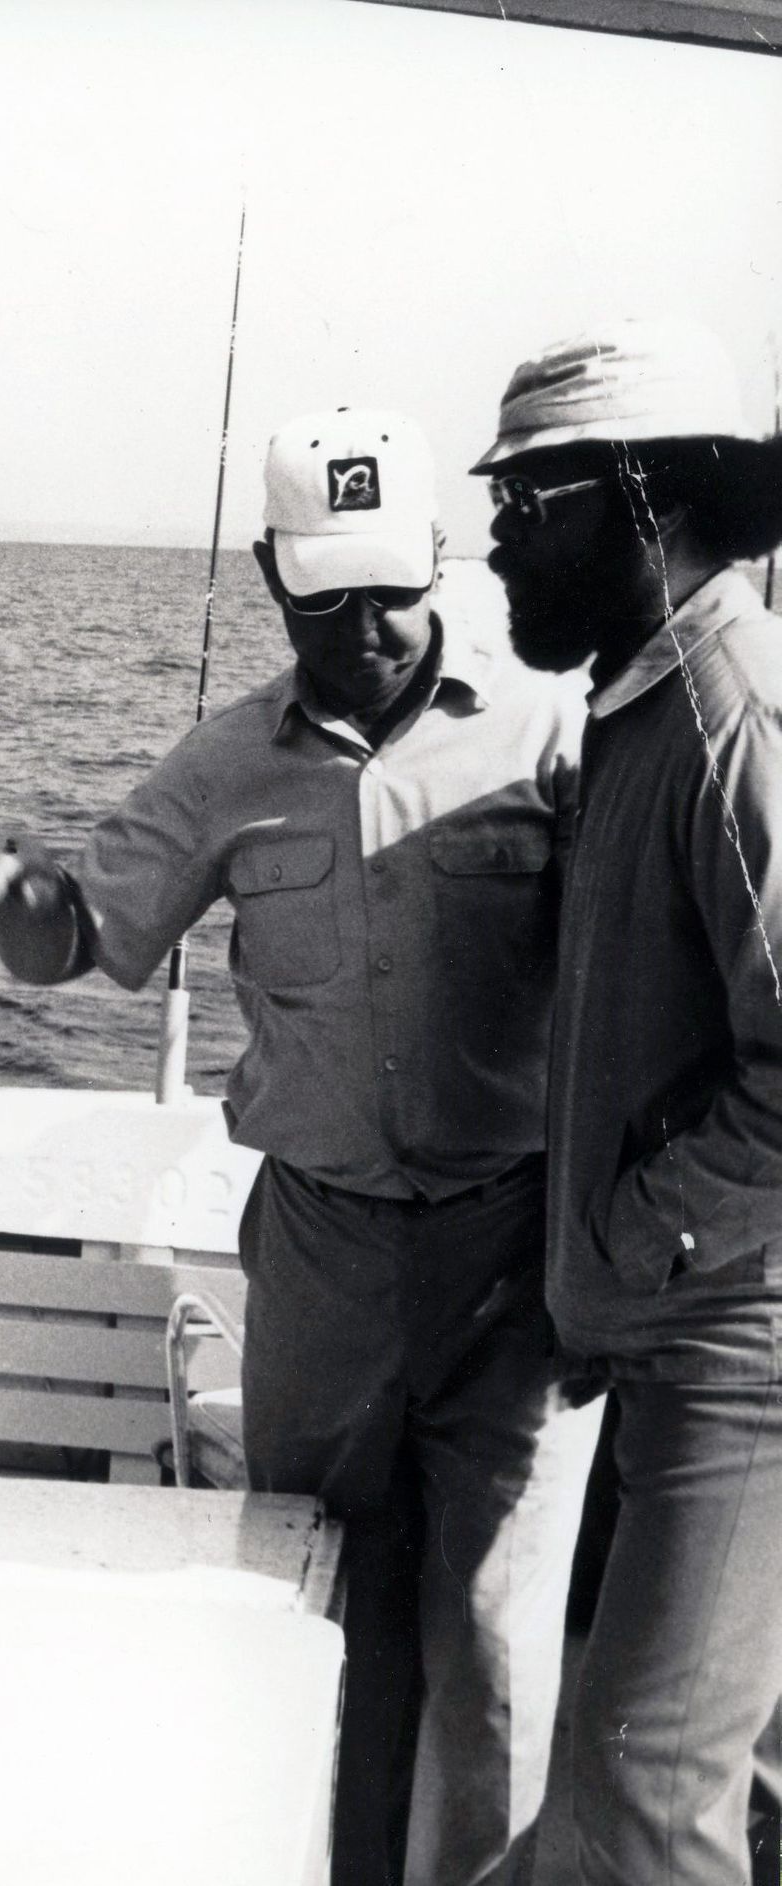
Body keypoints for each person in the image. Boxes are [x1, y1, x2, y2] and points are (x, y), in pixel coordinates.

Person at [0, 410, 602, 1886]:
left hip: (517, 1256)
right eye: (326, 596)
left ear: (441, 557)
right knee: (316, 1615)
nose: (366, 628)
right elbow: (82, 941)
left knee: (496, 1646)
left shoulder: (558, 733)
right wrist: (2, 889)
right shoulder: (223, 763)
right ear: (268, 575)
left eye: (392, 588)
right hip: (322, 1260)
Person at [478, 318, 782, 1886]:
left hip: (743, 1354)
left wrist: (628, 1234)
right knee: (594, 1808)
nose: (498, 546)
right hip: (673, 1335)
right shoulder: (642, 702)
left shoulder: (738, 720)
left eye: (534, 508)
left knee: (649, 1822)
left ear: (648, 500)